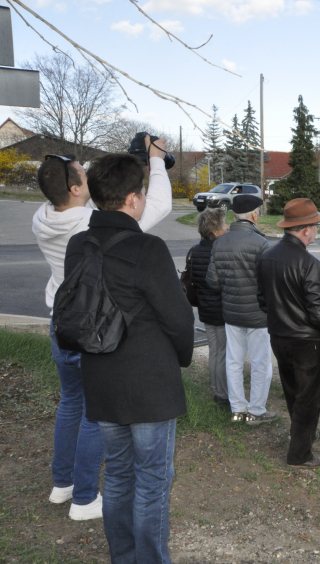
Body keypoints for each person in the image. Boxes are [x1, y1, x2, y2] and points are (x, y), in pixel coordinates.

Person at [31, 138, 172, 521]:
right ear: (76, 189)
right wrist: (155, 162)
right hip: (93, 327)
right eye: (82, 174)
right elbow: (158, 205)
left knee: (70, 404)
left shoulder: (43, 216)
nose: (87, 177)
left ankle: (63, 484)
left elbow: (73, 188)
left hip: (60, 323)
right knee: (95, 416)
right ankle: (84, 499)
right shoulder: (84, 222)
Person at [64, 153, 194, 562]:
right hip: (149, 382)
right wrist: (182, 358)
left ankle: (123, 555)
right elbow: (178, 318)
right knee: (152, 480)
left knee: (118, 475)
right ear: (134, 199)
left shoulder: (77, 245)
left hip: (101, 377)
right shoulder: (147, 247)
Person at [258, 198, 320, 469]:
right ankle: (300, 454)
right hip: (308, 342)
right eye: (315, 226)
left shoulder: (267, 256)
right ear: (305, 229)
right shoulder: (309, 264)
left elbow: (262, 300)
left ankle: (303, 436)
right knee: (308, 399)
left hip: (280, 337)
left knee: (294, 393)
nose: (316, 230)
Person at [207, 194, 277, 425]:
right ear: (254, 215)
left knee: (233, 361)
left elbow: (213, 282)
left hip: (231, 311)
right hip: (258, 314)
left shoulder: (219, 242)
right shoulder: (261, 244)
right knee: (260, 363)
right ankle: (256, 410)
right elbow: (269, 283)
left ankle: (237, 409)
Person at [191, 208, 229, 407]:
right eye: (224, 225)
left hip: (205, 308)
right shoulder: (220, 251)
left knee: (215, 351)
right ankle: (223, 394)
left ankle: (217, 389)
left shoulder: (196, 251)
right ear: (215, 231)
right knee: (222, 352)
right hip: (221, 309)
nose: (227, 227)